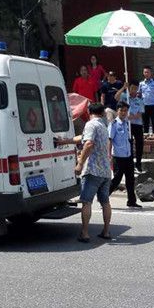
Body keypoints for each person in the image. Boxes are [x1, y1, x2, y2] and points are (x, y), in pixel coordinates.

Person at [55, 103, 112, 242]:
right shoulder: (103, 126)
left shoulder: (91, 124)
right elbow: (82, 138)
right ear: (102, 113)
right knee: (105, 202)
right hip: (105, 171)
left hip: (93, 170)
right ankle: (106, 231)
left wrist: (80, 163)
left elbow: (88, 143)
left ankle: (85, 233)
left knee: (86, 202)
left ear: (88, 111)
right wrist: (64, 141)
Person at [108, 101, 142, 208]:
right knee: (116, 179)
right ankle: (103, 196)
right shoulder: (113, 124)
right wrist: (109, 155)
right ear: (117, 111)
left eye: (125, 111)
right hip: (118, 157)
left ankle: (131, 201)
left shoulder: (128, 124)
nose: (123, 113)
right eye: (121, 110)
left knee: (130, 180)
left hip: (128, 156)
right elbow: (109, 140)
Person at [115, 80, 146, 173]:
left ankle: (138, 164)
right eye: (132, 88)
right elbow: (116, 97)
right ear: (129, 88)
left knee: (139, 143)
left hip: (137, 125)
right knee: (129, 144)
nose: (134, 90)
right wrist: (123, 88)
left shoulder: (139, 100)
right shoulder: (125, 97)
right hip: (127, 125)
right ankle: (130, 164)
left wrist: (130, 117)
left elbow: (139, 114)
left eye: (136, 89)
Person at [139, 66, 154, 134]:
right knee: (145, 124)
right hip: (144, 106)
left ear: (151, 73)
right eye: (145, 72)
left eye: (148, 72)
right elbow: (139, 95)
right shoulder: (141, 84)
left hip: (153, 106)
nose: (146, 74)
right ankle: (146, 138)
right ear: (143, 73)